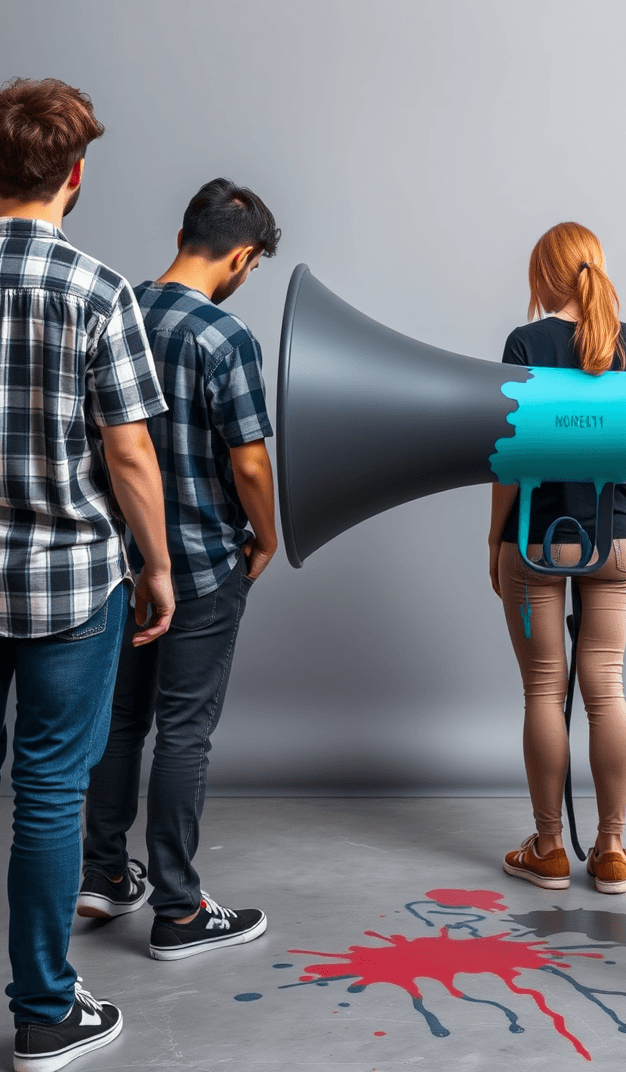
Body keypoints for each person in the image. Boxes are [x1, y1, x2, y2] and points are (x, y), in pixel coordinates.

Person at [0, 77, 174, 1072]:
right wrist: (155, 569)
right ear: (73, 177)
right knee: (50, 792)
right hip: (68, 585)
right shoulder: (95, 287)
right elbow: (133, 456)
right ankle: (42, 1009)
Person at [79, 178, 280, 961]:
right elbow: (252, 465)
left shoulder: (117, 305)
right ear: (240, 255)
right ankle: (180, 910)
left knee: (120, 722)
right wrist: (266, 536)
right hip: (199, 565)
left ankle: (103, 876)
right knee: (185, 734)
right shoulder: (224, 336)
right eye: (253, 267)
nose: (246, 278)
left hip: (115, 565)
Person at [489, 222, 626, 894]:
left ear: (544, 275)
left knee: (542, 689)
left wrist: (492, 539)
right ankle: (613, 852)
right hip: (619, 540)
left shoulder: (525, 343)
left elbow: (507, 455)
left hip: (534, 542)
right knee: (607, 688)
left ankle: (550, 850)